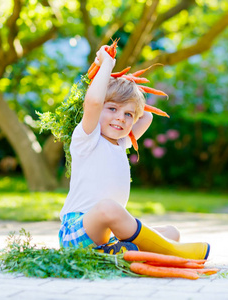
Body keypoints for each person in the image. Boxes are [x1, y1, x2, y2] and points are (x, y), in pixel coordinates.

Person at [58, 46, 210, 260]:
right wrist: (107, 66)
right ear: (98, 107)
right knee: (108, 208)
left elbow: (146, 117)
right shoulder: (87, 139)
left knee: (171, 232)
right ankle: (172, 252)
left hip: (106, 236)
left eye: (128, 114)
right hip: (78, 230)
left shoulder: (121, 143)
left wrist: (128, 89)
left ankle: (116, 253)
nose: (121, 118)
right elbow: (92, 102)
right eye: (112, 109)